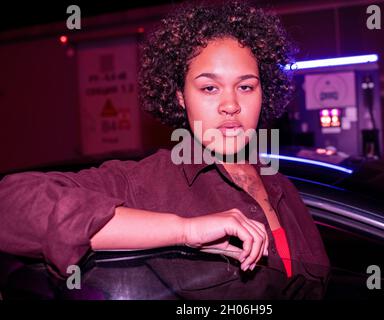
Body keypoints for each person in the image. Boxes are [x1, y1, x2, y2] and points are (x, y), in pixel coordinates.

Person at [0, 1, 330, 299]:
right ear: (180, 97)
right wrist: (184, 230)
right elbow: (10, 207)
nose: (231, 104)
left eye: (246, 86)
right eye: (209, 88)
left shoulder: (281, 186)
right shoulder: (147, 181)